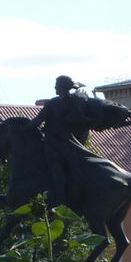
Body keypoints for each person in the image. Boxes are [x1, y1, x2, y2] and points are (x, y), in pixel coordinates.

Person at [25, 75, 97, 207]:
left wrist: (22, 127)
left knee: (54, 167)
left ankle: (60, 200)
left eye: (56, 85)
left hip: (55, 146)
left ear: (62, 88)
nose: (54, 88)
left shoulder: (53, 104)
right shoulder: (75, 102)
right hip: (74, 145)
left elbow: (36, 122)